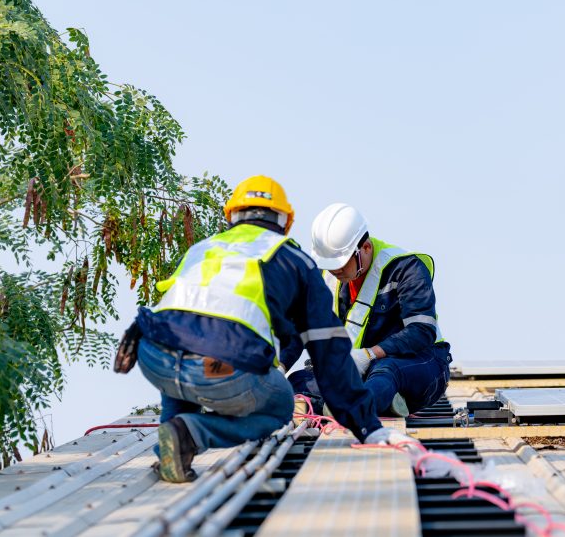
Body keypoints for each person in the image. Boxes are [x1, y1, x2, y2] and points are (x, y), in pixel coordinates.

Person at [115, 176, 412, 483]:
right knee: (281, 403)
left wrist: (139, 327)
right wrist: (367, 427)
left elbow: (177, 311)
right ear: (286, 222)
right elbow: (329, 354)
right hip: (217, 368)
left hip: (153, 355)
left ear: (231, 216)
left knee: (181, 358)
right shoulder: (292, 260)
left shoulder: (204, 248)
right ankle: (190, 434)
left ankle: (172, 446)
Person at [289, 203, 451, 419]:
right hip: (357, 371)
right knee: (299, 380)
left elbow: (421, 331)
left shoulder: (406, 269)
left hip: (418, 366)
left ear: (365, 248)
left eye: (341, 263)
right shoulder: (328, 277)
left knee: (386, 372)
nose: (335, 270)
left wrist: (368, 355)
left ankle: (355, 405)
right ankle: (381, 402)